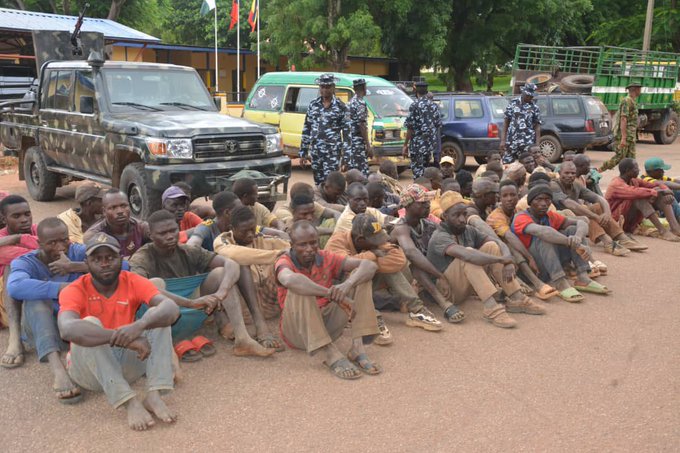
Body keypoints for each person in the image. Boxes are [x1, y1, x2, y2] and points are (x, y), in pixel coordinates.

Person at [57, 233, 181, 431]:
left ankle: (154, 396)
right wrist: (127, 339)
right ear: (86, 263)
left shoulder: (131, 280)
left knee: (158, 316)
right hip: (90, 374)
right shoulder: (74, 289)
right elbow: (67, 328)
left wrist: (139, 326)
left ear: (121, 259)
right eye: (97, 259)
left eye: (110, 257)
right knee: (88, 324)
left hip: (129, 367)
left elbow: (171, 309)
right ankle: (128, 401)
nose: (104, 263)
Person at [129, 210, 275, 357]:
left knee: (221, 273)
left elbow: (231, 264)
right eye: (162, 233)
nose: (170, 236)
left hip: (195, 308)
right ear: (151, 235)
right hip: (163, 315)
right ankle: (167, 346)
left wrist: (221, 293)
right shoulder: (142, 256)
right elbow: (139, 286)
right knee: (154, 283)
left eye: (173, 230)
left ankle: (242, 339)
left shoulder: (188, 250)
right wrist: (190, 303)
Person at [275, 221, 381, 380]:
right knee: (299, 286)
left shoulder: (325, 256)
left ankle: (358, 348)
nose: (309, 249)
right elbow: (290, 281)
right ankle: (330, 353)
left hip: (327, 326)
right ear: (292, 245)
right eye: (302, 245)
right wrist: (331, 294)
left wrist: (347, 285)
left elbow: (369, 265)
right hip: (298, 332)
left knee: (361, 277)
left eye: (313, 243)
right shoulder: (284, 261)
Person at [427, 191, 546, 328]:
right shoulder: (439, 236)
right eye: (456, 215)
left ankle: (517, 298)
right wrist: (502, 260)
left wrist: (507, 259)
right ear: (445, 216)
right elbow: (467, 256)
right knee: (469, 255)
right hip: (447, 291)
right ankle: (491, 308)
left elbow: (497, 242)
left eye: (464, 214)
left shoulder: (467, 230)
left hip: (465, 287)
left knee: (491, 246)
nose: (462, 219)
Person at [5, 218, 91, 403]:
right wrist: (63, 288)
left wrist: (76, 266)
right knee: (36, 301)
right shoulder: (27, 261)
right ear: (39, 244)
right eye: (52, 243)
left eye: (64, 240)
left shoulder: (77, 252)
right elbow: (15, 287)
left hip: (75, 322)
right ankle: (57, 369)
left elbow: (121, 265)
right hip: (42, 326)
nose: (60, 247)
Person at [327, 212, 443, 332]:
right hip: (341, 291)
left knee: (389, 270)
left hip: (365, 285)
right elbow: (345, 265)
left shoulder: (375, 241)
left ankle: (417, 310)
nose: (380, 243)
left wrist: (370, 265)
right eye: (375, 241)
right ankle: (368, 316)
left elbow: (398, 259)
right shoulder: (337, 241)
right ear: (360, 239)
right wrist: (372, 254)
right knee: (358, 272)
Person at [512, 185, 610, 303]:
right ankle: (560, 282)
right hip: (533, 269)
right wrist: (572, 243)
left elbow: (583, 221)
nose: (544, 203)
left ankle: (583, 277)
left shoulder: (550, 216)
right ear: (530, 202)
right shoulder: (520, 217)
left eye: (547, 199)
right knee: (544, 238)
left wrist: (577, 238)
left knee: (573, 230)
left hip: (551, 263)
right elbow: (543, 232)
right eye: (539, 199)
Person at [390, 184, 464, 323]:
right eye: (422, 203)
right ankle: (443, 303)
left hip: (425, 275)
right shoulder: (400, 227)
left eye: (428, 202)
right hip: (402, 278)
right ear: (408, 205)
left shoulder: (428, 224)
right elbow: (411, 252)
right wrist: (439, 275)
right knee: (413, 261)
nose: (427, 205)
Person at [552, 161, 647, 255]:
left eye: (573, 173)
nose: (570, 176)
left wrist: (607, 214)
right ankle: (607, 241)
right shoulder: (554, 185)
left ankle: (621, 237)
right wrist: (595, 216)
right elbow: (570, 204)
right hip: (558, 217)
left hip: (574, 216)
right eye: (567, 173)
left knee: (597, 206)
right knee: (582, 213)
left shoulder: (576, 185)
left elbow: (599, 198)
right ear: (559, 173)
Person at [213, 205, 290, 322]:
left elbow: (290, 247)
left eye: (252, 229)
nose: (250, 234)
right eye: (244, 231)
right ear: (232, 228)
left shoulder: (263, 239)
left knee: (286, 264)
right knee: (238, 264)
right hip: (244, 308)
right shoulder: (222, 241)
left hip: (269, 304)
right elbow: (235, 254)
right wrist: (277, 255)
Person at [486, 180, 559, 300]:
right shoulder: (495, 216)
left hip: (516, 255)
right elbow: (509, 237)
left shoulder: (518, 211)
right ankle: (537, 283)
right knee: (510, 243)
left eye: (512, 195)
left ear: (518, 196)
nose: (509, 199)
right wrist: (530, 257)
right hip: (499, 256)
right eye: (505, 196)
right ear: (499, 198)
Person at [0, 195, 38, 367]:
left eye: (27, 214)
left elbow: (60, 247)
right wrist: (42, 247)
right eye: (16, 216)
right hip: (8, 299)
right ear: (3, 219)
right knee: (13, 267)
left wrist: (19, 238)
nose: (24, 220)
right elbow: (43, 253)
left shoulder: (39, 230)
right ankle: (14, 338)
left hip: (37, 290)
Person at [605, 158, 680, 242]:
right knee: (639, 198)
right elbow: (635, 192)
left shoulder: (634, 180)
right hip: (616, 221)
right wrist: (658, 191)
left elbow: (656, 184)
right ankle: (663, 231)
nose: (639, 170)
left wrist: (667, 192)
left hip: (630, 220)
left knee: (661, 194)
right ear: (628, 170)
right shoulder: (616, 184)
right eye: (636, 168)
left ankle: (675, 228)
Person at [299, 73, 349, 185]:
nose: (325, 90)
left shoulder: (341, 107)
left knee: (331, 183)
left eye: (328, 87)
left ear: (333, 88)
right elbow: (307, 129)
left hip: (332, 153)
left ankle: (330, 202)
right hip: (316, 152)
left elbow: (347, 134)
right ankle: (321, 202)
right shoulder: (313, 105)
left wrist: (346, 156)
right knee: (318, 183)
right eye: (322, 87)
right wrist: (303, 152)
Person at [83, 189, 148, 258]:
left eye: (123, 206)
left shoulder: (140, 227)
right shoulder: (94, 235)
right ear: (104, 211)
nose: (120, 211)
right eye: (113, 208)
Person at [599, 83, 641, 173]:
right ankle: (599, 170)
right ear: (636, 89)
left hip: (631, 136)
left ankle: (630, 179)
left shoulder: (633, 101)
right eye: (639, 89)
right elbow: (623, 119)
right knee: (620, 156)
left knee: (631, 159)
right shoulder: (627, 101)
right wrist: (623, 138)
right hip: (625, 135)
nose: (640, 91)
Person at [402, 80, 442, 177]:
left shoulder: (414, 105)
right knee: (426, 172)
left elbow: (410, 127)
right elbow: (438, 125)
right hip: (429, 146)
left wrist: (405, 145)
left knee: (418, 174)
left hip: (417, 146)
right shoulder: (434, 106)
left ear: (416, 92)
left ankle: (420, 190)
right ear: (427, 91)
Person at [500, 83, 541, 164]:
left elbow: (537, 127)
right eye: (527, 95)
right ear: (523, 92)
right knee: (507, 164)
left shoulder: (535, 107)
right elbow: (506, 122)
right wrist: (503, 140)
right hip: (511, 141)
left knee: (527, 165)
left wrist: (537, 144)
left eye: (531, 96)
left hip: (527, 143)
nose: (529, 97)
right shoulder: (513, 103)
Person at [274, 182, 340, 231]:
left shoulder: (310, 205)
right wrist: (333, 231)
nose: (314, 199)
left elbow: (336, 213)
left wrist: (340, 227)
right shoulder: (282, 211)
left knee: (331, 221)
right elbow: (298, 228)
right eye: (312, 197)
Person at [345, 78, 372, 176]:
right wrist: (368, 145)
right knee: (362, 173)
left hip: (351, 141)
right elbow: (362, 125)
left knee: (353, 171)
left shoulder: (350, 102)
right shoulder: (360, 103)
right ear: (364, 88)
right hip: (358, 142)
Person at [641, 157, 680, 221]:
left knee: (676, 192)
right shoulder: (645, 179)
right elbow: (665, 183)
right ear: (653, 172)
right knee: (670, 196)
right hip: (653, 206)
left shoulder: (657, 176)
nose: (663, 171)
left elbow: (674, 181)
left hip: (660, 204)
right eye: (661, 170)